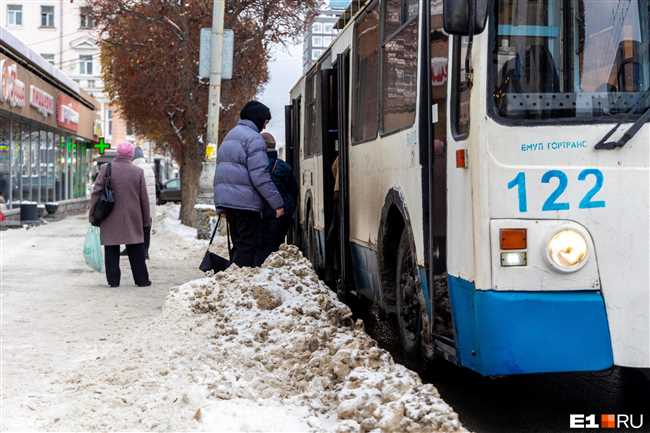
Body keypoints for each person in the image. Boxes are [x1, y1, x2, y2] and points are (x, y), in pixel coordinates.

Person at [213, 100, 285, 267]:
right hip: (244, 202)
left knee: (239, 243)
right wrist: (277, 203)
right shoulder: (253, 139)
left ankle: (235, 281)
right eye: (265, 122)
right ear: (258, 119)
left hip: (228, 201)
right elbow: (260, 175)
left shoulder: (231, 135)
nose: (265, 127)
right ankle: (239, 281)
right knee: (248, 245)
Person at [90, 141, 152, 287]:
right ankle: (141, 279)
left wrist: (92, 213)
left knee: (111, 248)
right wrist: (146, 220)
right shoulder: (138, 172)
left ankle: (113, 280)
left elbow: (96, 192)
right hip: (132, 216)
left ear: (118, 153)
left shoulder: (106, 168)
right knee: (136, 248)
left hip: (109, 215)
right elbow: (144, 199)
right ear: (131, 155)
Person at [258, 132, 298, 262]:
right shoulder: (283, 166)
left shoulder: (255, 166)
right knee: (274, 250)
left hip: (260, 215)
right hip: (280, 217)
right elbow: (293, 191)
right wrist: (287, 210)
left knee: (260, 250)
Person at [121, 146, 156, 259]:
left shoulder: (135, 168)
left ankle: (134, 249)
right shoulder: (149, 167)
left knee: (133, 227)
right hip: (150, 203)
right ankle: (145, 250)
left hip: (139, 203)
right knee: (146, 227)